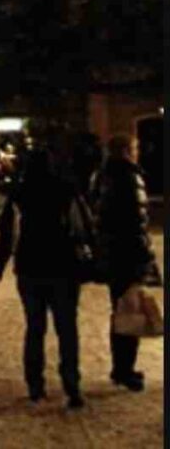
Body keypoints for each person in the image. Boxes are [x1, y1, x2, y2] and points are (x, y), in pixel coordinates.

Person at [0, 149, 85, 409]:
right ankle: (71, 384)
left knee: (35, 327)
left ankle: (35, 385)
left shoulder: (19, 193)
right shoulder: (66, 190)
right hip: (63, 265)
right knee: (67, 328)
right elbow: (81, 227)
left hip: (30, 266)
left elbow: (7, 233)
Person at [89, 135, 162, 393]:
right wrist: (146, 257)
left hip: (113, 254)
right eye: (135, 148)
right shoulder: (128, 177)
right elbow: (135, 223)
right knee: (130, 311)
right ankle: (124, 369)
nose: (137, 151)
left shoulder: (102, 176)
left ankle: (122, 366)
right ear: (126, 151)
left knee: (122, 308)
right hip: (127, 255)